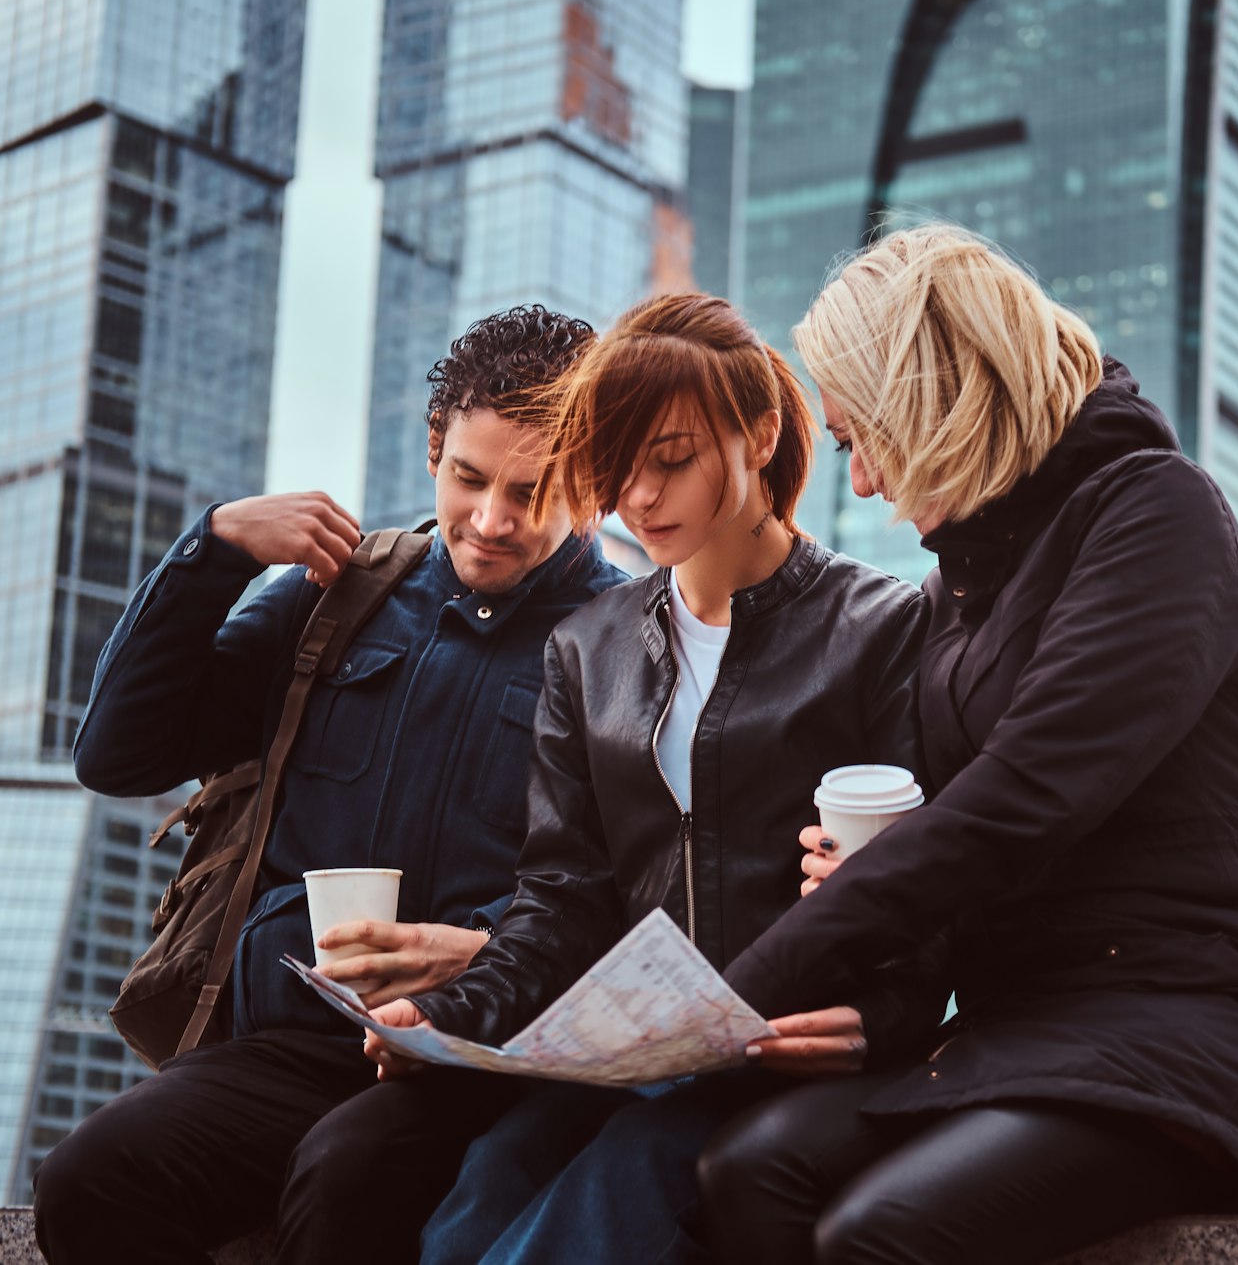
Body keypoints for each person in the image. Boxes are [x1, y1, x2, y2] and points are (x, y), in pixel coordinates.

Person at [697, 224, 1238, 1265]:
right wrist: (865, 951)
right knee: (745, 1172)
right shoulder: (944, 604)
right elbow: (937, 854)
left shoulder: (1157, 513)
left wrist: (721, 995)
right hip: (1028, 1031)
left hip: (1214, 1024)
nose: (861, 480)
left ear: (937, 398)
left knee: (882, 1234)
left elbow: (1020, 800)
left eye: (863, 435)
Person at [34, 306, 629, 1265]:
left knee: (344, 1176)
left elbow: (649, 897)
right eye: (468, 478)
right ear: (433, 447)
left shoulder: (631, 641)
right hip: (289, 1048)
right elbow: (116, 753)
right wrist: (215, 550)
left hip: (485, 1058)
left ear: (593, 482)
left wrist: (480, 956)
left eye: (532, 491)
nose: (491, 520)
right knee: (87, 1178)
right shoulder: (344, 597)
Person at [361, 292, 943, 1265]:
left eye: (668, 460)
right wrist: (444, 1018)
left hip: (776, 1055)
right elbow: (557, 903)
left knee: (590, 1213)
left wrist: (882, 1021)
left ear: (758, 433)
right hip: (628, 1057)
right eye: (616, 467)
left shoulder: (877, 629)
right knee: (468, 1210)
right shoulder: (588, 647)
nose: (638, 497)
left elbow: (928, 884)